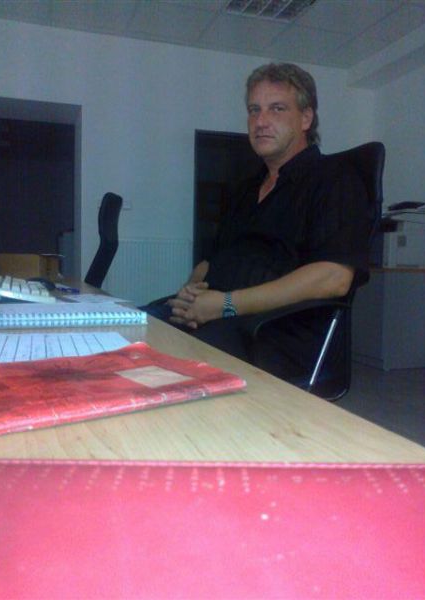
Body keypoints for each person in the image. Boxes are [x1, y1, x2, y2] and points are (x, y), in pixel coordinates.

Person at [145, 63, 370, 384]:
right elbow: (212, 261)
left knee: (153, 367)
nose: (260, 121)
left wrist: (225, 305)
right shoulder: (246, 189)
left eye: (277, 109)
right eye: (254, 110)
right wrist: (191, 293)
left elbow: (334, 277)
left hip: (273, 332)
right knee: (122, 329)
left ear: (306, 118)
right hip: (219, 316)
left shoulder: (335, 179)